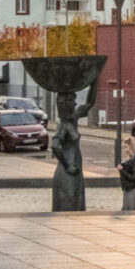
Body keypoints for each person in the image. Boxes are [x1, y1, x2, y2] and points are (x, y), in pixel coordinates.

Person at [49, 83, 97, 212]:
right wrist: (67, 166)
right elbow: (55, 146)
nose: (75, 103)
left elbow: (89, 103)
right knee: (69, 204)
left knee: (77, 201)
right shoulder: (64, 125)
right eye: (71, 100)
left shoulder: (73, 119)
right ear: (63, 103)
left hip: (75, 168)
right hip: (68, 173)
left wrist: (94, 82)